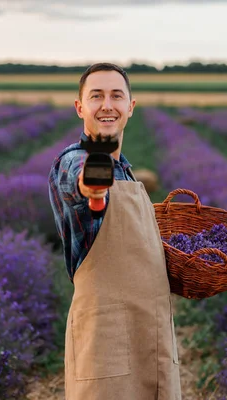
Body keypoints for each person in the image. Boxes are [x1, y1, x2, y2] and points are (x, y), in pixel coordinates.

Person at [48, 62, 182, 399]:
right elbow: (83, 179)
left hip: (150, 333)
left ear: (130, 107)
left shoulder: (126, 172)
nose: (107, 105)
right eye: (96, 96)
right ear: (80, 107)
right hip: (106, 341)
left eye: (116, 96)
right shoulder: (72, 161)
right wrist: (92, 187)